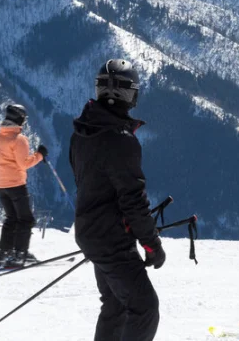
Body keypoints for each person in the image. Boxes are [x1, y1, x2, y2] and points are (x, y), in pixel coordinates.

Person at [69, 59, 166, 341]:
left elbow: (88, 183)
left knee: (115, 305)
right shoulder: (121, 140)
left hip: (90, 231)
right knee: (145, 308)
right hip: (111, 239)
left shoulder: (82, 133)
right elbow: (133, 201)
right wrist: (152, 244)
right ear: (130, 94)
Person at [0, 104, 47, 268]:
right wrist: (40, 155)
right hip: (16, 185)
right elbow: (23, 164)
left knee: (11, 218)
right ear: (20, 118)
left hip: (1, 184)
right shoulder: (19, 140)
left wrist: (1, 177)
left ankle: (4, 254)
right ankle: (20, 255)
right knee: (25, 220)